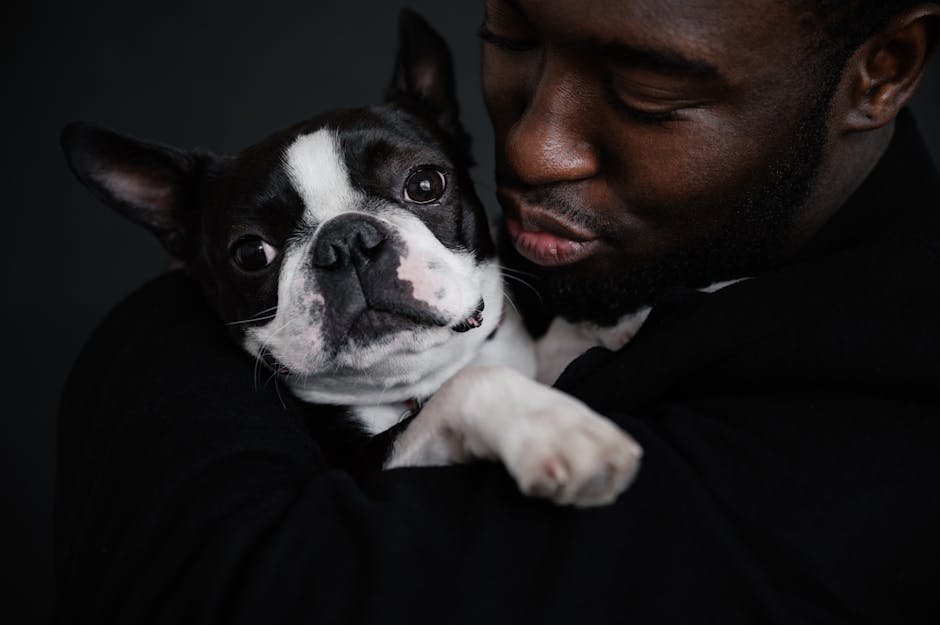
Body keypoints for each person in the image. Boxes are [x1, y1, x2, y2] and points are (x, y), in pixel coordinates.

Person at [56, 1, 940, 623]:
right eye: (511, 38)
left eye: (648, 92)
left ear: (884, 70)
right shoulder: (574, 254)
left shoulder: (873, 434)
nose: (531, 147)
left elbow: (261, 593)